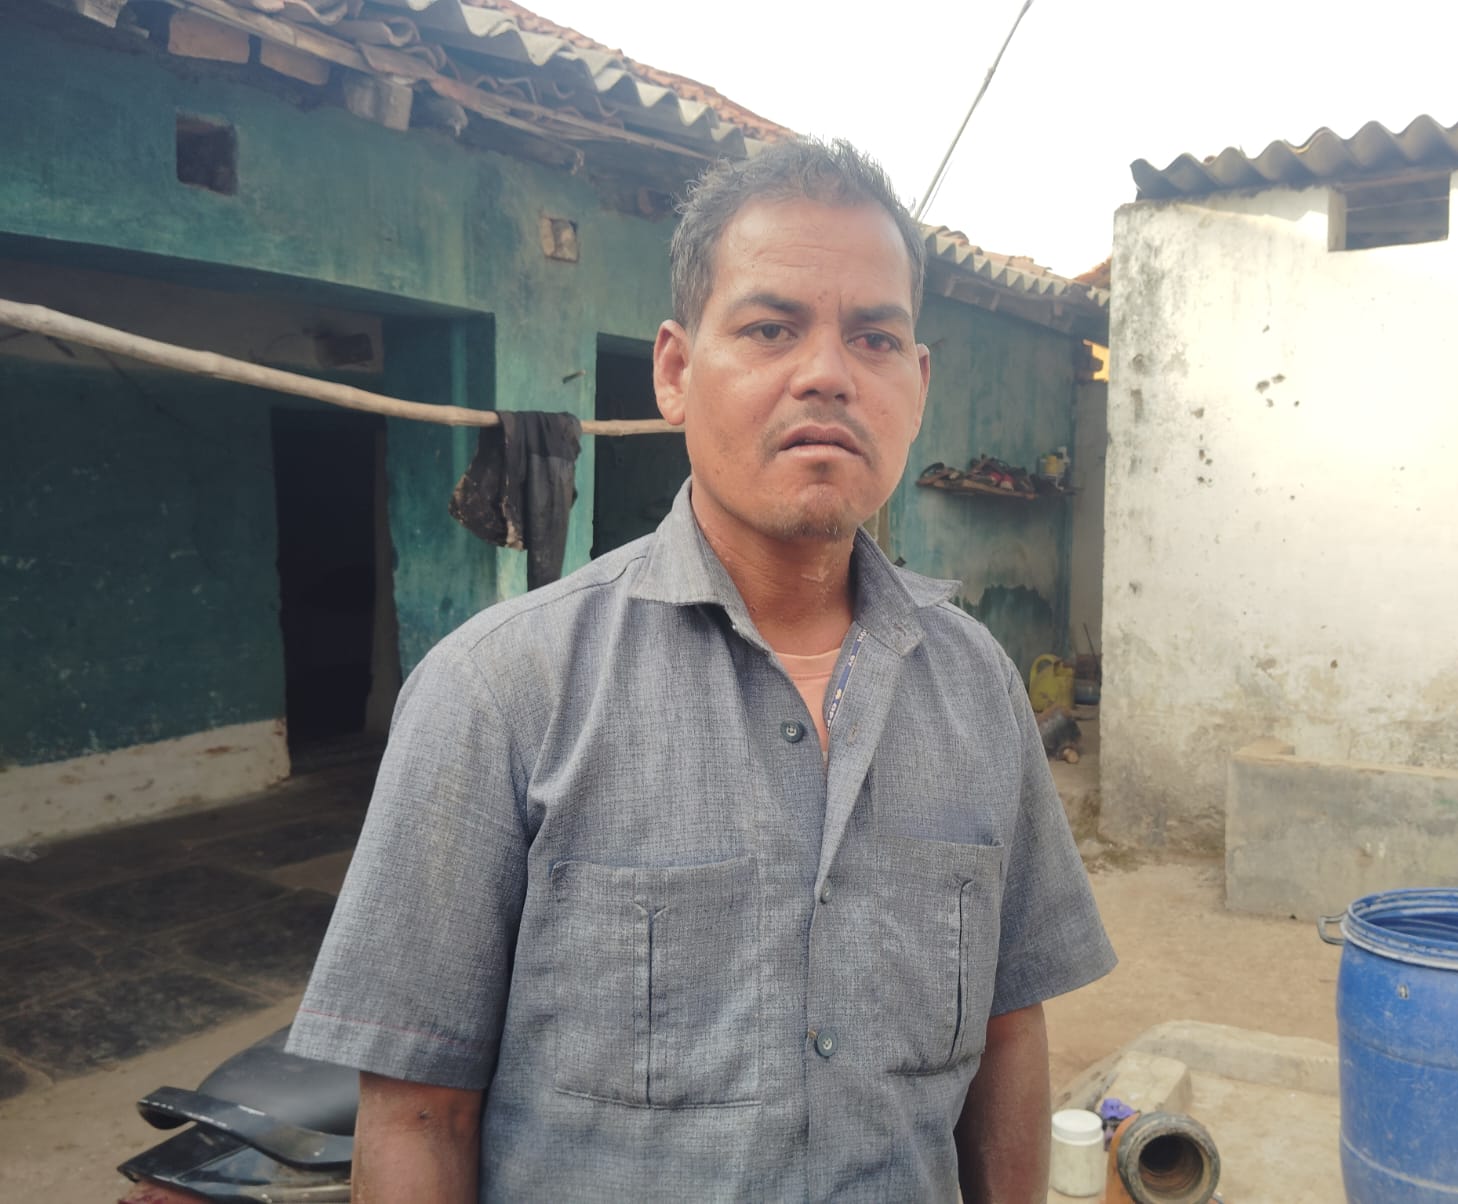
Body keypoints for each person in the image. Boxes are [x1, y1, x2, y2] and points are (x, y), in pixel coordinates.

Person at [287, 137, 1115, 1202]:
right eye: (771, 328)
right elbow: (417, 1114)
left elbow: (1007, 1030)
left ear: (915, 385)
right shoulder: (498, 692)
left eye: (873, 337)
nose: (826, 373)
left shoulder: (978, 687)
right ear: (675, 372)